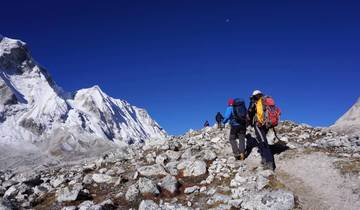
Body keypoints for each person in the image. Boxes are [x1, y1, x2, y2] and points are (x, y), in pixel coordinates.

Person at [247, 90, 276, 170]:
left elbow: (250, 112)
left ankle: (269, 163)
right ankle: (264, 159)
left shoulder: (255, 101)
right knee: (262, 140)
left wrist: (249, 122)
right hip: (266, 124)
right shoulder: (265, 100)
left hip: (258, 124)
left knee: (263, 142)